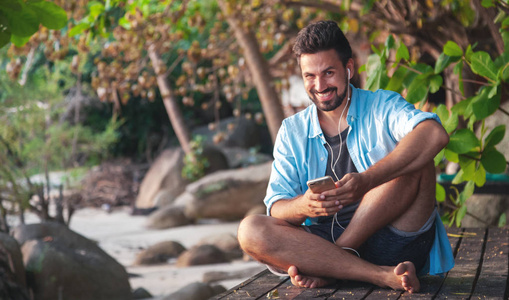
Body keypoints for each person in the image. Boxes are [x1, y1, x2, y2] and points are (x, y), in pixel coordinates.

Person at [237, 20, 455, 293]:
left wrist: (366, 181)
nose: (319, 85)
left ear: (348, 68)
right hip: (323, 239)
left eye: (328, 72)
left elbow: (435, 135)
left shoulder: (381, 105)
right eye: (310, 76)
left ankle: (338, 261)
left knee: (417, 160)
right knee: (250, 230)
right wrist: (305, 206)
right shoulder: (292, 131)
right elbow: (276, 207)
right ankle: (376, 275)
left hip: (392, 237)